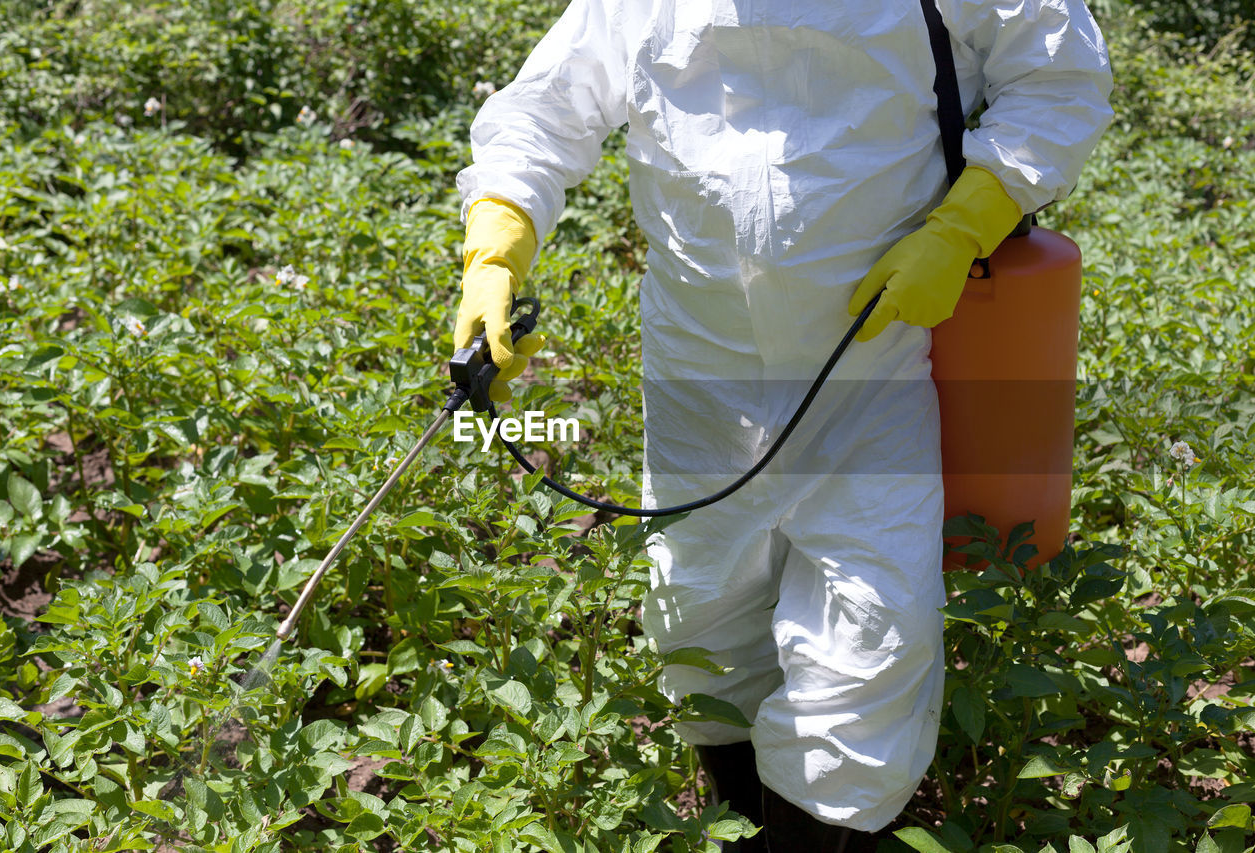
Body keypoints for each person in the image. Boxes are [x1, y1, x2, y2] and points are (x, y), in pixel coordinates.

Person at [452, 1, 1113, 850]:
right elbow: (546, 105)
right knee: (697, 609)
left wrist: (963, 224)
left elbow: (1058, 74)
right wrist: (498, 242)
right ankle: (742, 821)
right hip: (699, 359)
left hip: (870, 355)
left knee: (874, 625)